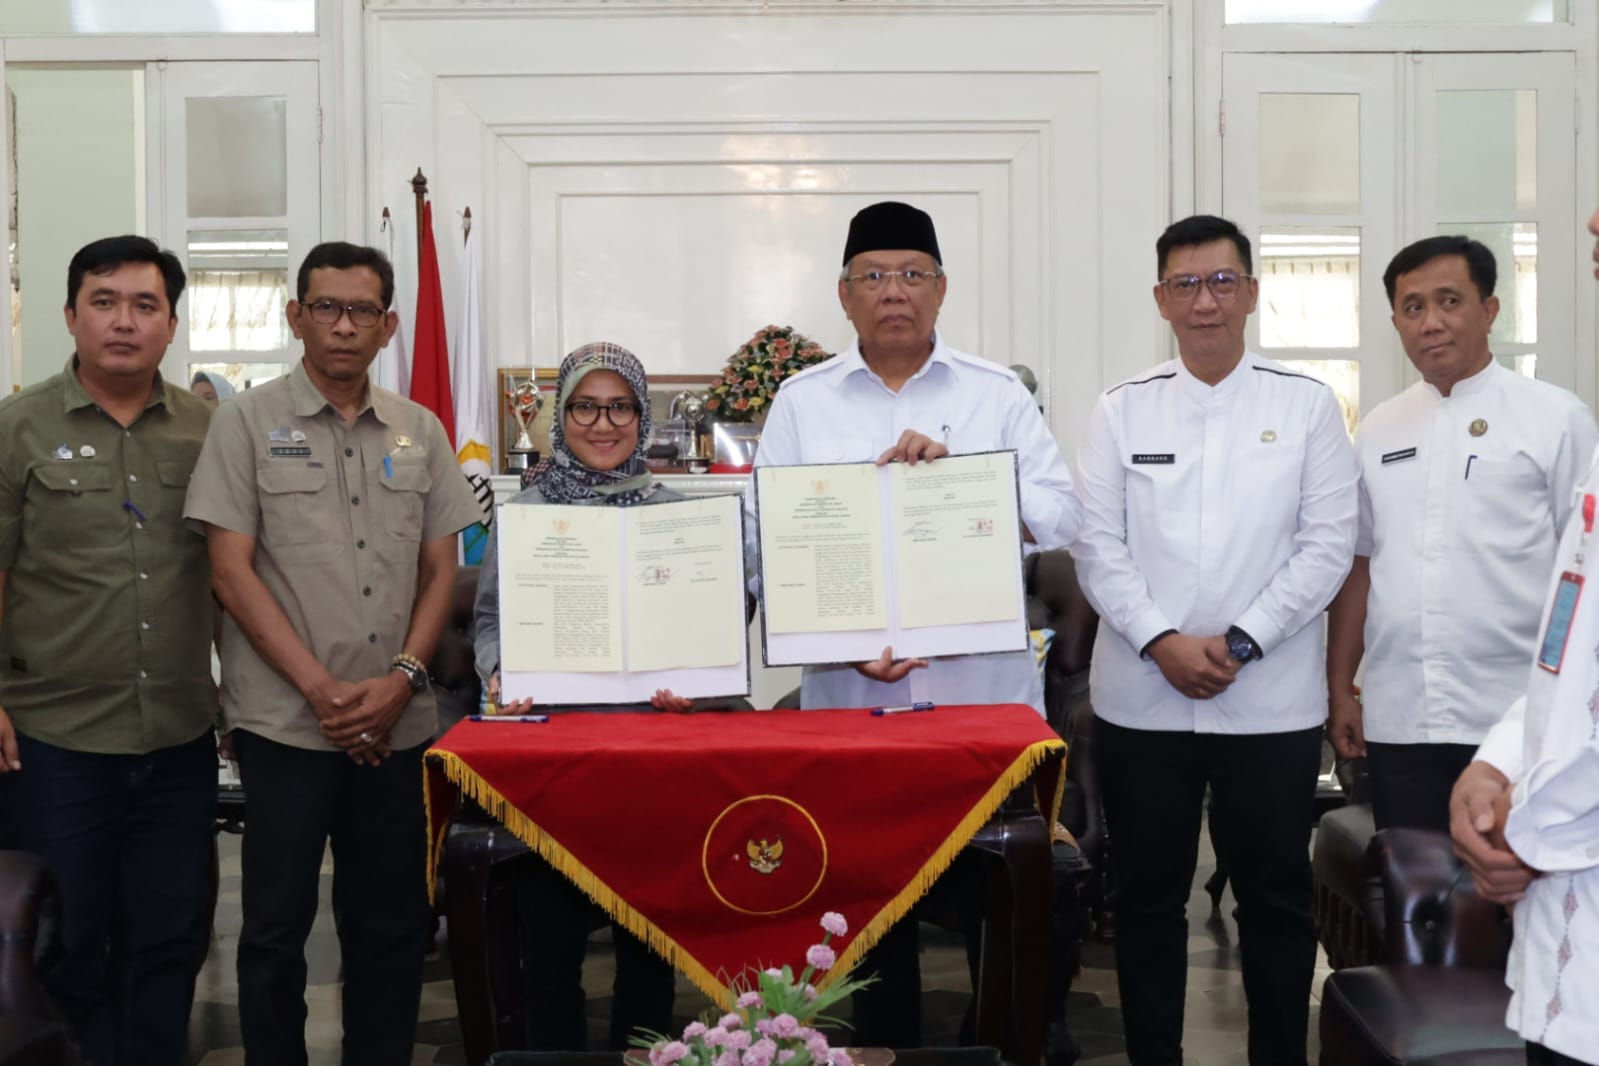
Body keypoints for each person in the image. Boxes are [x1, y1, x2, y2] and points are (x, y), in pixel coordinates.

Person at [751, 200, 1083, 1048]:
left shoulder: (995, 394)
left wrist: (967, 482)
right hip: (849, 707)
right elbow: (764, 542)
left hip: (981, 703)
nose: (892, 291)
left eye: (911, 274)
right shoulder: (802, 402)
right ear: (844, 294)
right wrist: (843, 646)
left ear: (940, 289)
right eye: (872, 276)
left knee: (998, 901)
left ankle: (995, 1044)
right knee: (867, 909)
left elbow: (1062, 515)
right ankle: (877, 1047)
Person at [183, 241, 482, 1065]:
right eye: (325, 307)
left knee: (390, 925)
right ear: (296, 317)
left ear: (388, 326)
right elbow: (229, 572)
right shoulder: (244, 423)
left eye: (361, 311)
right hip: (286, 724)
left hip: (398, 721)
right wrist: (322, 691)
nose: (343, 326)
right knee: (274, 930)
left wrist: (401, 682)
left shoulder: (420, 429)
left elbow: (440, 571)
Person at [1072, 214, 1358, 1066]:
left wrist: (1241, 642)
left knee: (1274, 898)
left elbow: (1327, 546)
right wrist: (1160, 640)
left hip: (1267, 701)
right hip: (1142, 700)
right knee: (1146, 897)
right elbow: (1097, 546)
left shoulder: (1305, 406)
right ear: (1161, 299)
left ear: (1252, 293)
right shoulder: (1120, 409)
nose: (1206, 301)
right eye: (1186, 284)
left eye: (1223, 281)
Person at [0, 235, 216, 1065]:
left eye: (145, 305)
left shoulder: (209, 432)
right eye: (104, 302)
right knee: (64, 938)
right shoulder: (17, 428)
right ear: (70, 315)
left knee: (170, 934)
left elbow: (235, 574)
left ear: (170, 326)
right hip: (54, 737)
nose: (124, 321)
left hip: (178, 733)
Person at [1326, 236, 1596, 833]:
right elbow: (1361, 566)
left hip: (1522, 713)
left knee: (1514, 879)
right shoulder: (1378, 429)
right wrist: (1341, 689)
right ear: (1396, 322)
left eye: (1450, 301)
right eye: (1413, 307)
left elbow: (1584, 570)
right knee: (1413, 882)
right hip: (1402, 719)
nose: (1432, 322)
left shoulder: (1557, 419)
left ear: (1489, 309)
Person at [473, 341, 695, 1051]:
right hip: (555, 762)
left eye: (620, 407)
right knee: (549, 945)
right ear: (561, 417)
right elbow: (489, 621)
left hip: (650, 761)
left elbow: (703, 629)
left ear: (643, 415)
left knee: (649, 947)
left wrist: (696, 678)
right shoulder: (526, 514)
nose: (604, 424)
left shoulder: (675, 518)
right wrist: (500, 671)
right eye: (585, 408)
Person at [1448, 207, 1599, 1066]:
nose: (1591, 220)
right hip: (1562, 972)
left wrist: (1526, 829)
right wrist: (1493, 766)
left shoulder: (1558, 417)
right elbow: (1567, 655)